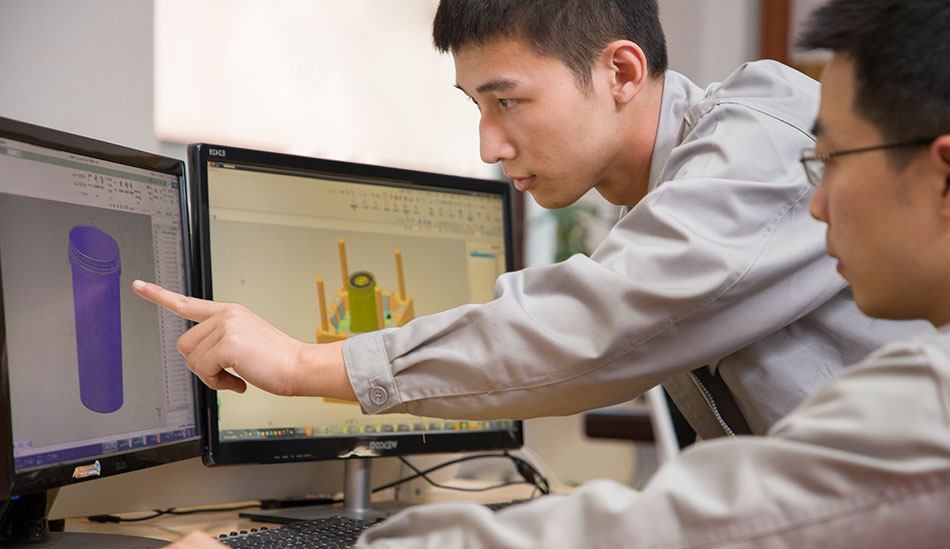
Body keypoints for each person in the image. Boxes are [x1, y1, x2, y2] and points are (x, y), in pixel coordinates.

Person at [166, 1, 950, 546]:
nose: (488, 145)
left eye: (507, 101)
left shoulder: (761, 138)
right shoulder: (670, 191)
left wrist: (306, 363)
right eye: (477, 105)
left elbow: (597, 321)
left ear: (620, 71)